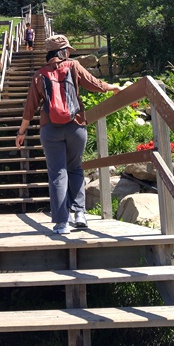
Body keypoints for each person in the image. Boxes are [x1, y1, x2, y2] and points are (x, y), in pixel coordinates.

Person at [15, 34, 123, 234]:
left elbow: (29, 108)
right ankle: (80, 214)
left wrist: (21, 132)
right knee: (75, 168)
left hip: (50, 129)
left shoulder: (39, 75)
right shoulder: (73, 66)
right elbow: (95, 84)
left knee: (57, 173)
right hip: (75, 126)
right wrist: (112, 87)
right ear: (63, 51)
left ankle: (61, 223)